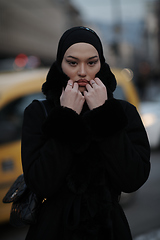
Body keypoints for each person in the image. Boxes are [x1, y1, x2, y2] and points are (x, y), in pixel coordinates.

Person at [21, 26, 150, 240]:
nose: (82, 71)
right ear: (60, 64)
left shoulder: (123, 112)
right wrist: (66, 117)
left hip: (109, 229)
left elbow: (133, 179)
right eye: (72, 63)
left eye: (91, 62)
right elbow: (40, 183)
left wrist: (104, 116)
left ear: (101, 64)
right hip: (53, 230)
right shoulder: (38, 112)